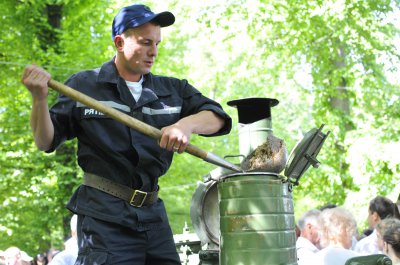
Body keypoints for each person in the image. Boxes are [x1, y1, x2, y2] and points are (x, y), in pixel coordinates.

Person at [21, 4, 232, 265]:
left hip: (154, 217)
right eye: (145, 43)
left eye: (157, 43)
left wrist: (186, 125)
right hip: (103, 219)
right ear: (120, 42)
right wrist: (39, 100)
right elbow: (45, 141)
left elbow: (217, 117)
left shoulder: (173, 90)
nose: (153, 51)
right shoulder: (84, 86)